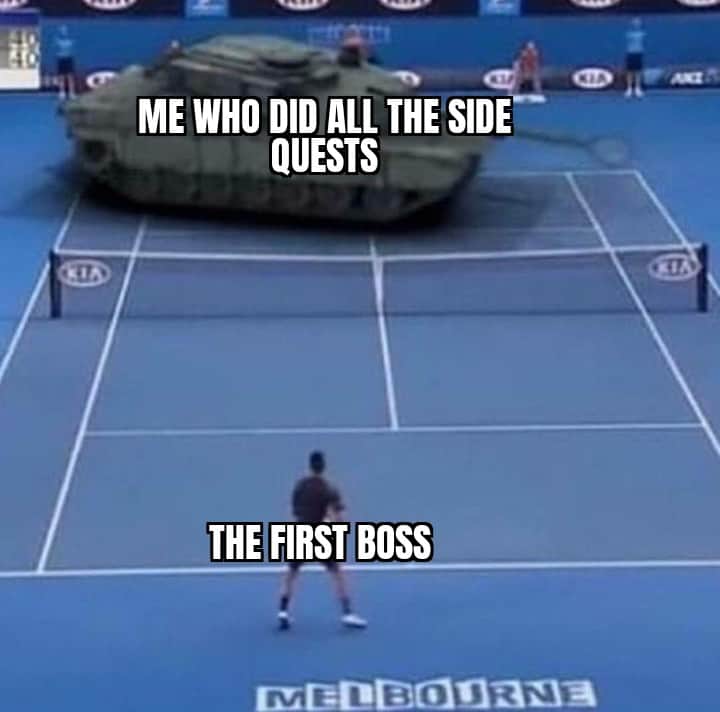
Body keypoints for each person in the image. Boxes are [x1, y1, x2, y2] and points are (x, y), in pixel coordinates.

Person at [277, 451, 367, 631]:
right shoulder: (329, 488)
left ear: (310, 466)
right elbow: (338, 518)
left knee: (292, 572)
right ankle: (347, 613)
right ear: (323, 466)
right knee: (337, 573)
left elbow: (295, 511)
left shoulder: (300, 486)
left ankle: (283, 611)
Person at [54, 25, 76, 105]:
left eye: (65, 30)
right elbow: (56, 49)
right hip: (61, 59)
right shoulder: (57, 40)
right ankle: (62, 92)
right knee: (61, 77)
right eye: (62, 30)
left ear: (67, 31)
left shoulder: (71, 41)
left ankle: (71, 92)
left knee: (70, 77)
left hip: (69, 59)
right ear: (60, 31)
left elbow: (72, 49)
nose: (63, 31)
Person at [625, 17, 645, 98]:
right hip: (630, 54)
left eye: (638, 22)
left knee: (638, 72)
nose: (636, 23)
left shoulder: (643, 33)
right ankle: (629, 89)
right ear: (632, 23)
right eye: (635, 22)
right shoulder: (628, 33)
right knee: (629, 72)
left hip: (638, 54)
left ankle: (638, 88)